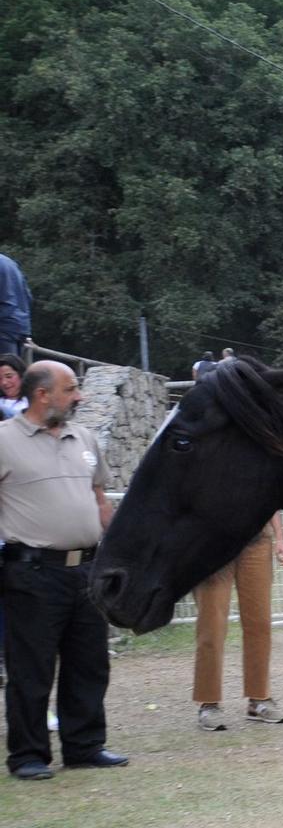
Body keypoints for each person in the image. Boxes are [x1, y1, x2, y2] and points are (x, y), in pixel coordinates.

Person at [0, 361, 126, 779]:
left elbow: (100, 500)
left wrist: (117, 554)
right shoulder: (4, 441)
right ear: (42, 395)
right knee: (31, 668)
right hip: (33, 573)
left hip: (87, 570)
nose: (79, 396)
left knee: (89, 663)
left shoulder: (84, 436)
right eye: (71, 389)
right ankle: (28, 755)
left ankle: (85, 745)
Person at [192, 514, 283, 730]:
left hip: (257, 539)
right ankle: (208, 703)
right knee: (212, 623)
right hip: (211, 540)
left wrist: (280, 538)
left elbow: (271, 494)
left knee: (260, 622)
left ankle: (259, 699)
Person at [0, 254, 30, 359]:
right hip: (19, 328)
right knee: (13, 370)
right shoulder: (9, 262)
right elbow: (27, 295)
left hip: (3, 327)